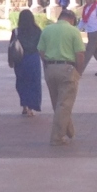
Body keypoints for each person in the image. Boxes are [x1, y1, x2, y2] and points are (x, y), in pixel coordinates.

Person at [38, 8, 86, 145]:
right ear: (72, 19)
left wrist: (47, 63)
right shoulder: (73, 31)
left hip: (50, 68)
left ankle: (69, 130)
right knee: (64, 104)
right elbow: (80, 54)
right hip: (67, 69)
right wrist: (79, 71)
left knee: (58, 103)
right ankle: (57, 137)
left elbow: (41, 50)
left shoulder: (47, 30)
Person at [10, 8, 43, 116]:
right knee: (34, 83)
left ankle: (24, 104)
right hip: (33, 58)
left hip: (20, 59)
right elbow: (41, 46)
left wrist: (11, 60)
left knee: (21, 82)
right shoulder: (37, 31)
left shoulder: (16, 31)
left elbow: (11, 46)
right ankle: (31, 107)